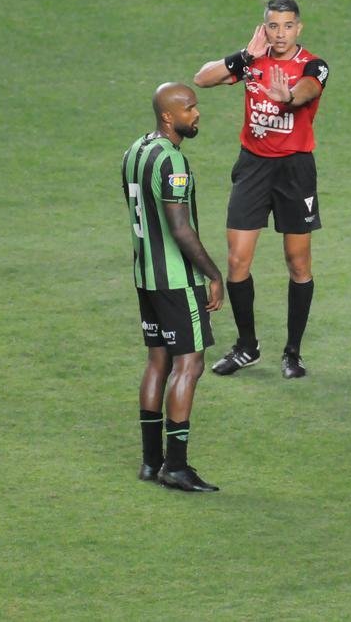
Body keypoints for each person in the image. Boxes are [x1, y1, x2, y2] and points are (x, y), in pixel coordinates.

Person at [193, 0, 330, 380]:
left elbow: (307, 90)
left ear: (298, 28)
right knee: (237, 261)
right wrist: (243, 56)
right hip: (253, 167)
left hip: (295, 170)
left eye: (288, 26)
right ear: (263, 28)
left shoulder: (313, 65)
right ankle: (246, 347)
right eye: (273, 26)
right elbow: (202, 78)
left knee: (298, 262)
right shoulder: (252, 60)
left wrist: (286, 95)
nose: (281, 33)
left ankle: (292, 353)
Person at [122, 82, 225, 492]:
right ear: (169, 116)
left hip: (145, 277)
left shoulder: (135, 152)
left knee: (157, 362)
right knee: (190, 364)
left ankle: (151, 462)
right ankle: (176, 466)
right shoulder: (172, 163)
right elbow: (180, 229)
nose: (197, 113)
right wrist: (214, 275)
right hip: (176, 281)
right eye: (190, 108)